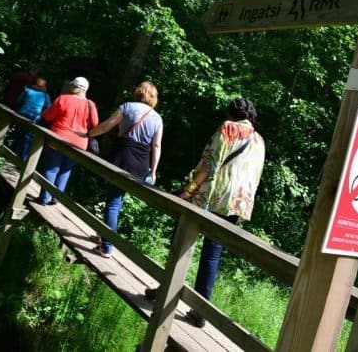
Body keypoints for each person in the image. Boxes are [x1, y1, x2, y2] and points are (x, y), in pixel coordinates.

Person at [149, 97, 265, 328]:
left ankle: (164, 290)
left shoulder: (227, 128)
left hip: (212, 196)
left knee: (183, 239)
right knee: (213, 252)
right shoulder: (259, 140)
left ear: (231, 113)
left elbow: (208, 164)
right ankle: (200, 311)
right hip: (237, 202)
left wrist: (189, 189)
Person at [86, 81, 163, 258]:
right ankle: (104, 234)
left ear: (138, 93)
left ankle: (106, 246)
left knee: (113, 201)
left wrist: (89, 134)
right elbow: (156, 145)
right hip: (141, 163)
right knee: (118, 201)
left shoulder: (127, 107)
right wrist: (153, 171)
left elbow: (107, 125)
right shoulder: (157, 118)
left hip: (122, 156)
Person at [35, 77, 98, 206]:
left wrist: (43, 113)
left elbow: (49, 116)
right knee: (65, 170)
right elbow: (95, 123)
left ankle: (44, 198)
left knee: (52, 169)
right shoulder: (90, 104)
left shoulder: (63, 98)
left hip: (58, 139)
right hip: (79, 143)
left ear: (72, 86)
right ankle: (56, 197)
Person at [11, 77, 52, 160]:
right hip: (34, 118)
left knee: (17, 134)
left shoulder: (27, 91)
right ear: (44, 86)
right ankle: (22, 159)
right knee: (27, 138)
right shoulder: (45, 96)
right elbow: (48, 107)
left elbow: (18, 100)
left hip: (22, 114)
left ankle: (10, 153)